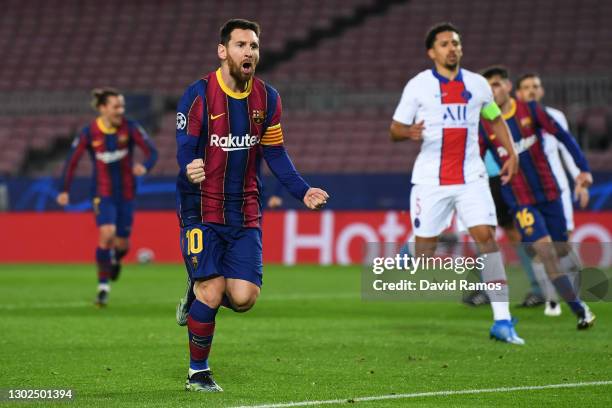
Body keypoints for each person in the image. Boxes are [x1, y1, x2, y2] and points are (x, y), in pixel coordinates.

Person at [175, 19, 329, 392]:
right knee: (212, 291)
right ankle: (198, 372)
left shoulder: (268, 98)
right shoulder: (198, 95)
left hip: (245, 212)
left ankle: (194, 295)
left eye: (254, 46)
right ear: (223, 51)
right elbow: (184, 149)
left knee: (243, 299)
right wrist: (189, 166)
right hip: (201, 209)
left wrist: (302, 190)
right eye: (241, 45)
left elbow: (276, 153)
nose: (249, 52)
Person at [390, 22, 524, 345]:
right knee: (425, 251)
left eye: (456, 43)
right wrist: (408, 133)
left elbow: (494, 118)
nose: (452, 48)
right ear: (432, 52)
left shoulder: (478, 85)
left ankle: (502, 322)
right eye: (445, 44)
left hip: (471, 177)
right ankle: (411, 248)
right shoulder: (418, 86)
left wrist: (510, 152)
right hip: (431, 179)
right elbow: (395, 128)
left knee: (486, 238)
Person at [478, 66, 595, 330]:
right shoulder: (485, 126)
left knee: (561, 248)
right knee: (545, 252)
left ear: (508, 86)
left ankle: (582, 288)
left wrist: (583, 169)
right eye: (488, 88)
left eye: (496, 85)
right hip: (520, 200)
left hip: (549, 192)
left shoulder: (530, 111)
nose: (493, 91)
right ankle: (580, 310)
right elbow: (474, 159)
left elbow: (563, 137)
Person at [57, 88, 158, 306]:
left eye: (122, 106)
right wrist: (64, 190)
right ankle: (103, 287)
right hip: (102, 193)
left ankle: (115, 258)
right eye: (116, 106)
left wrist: (145, 166)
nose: (120, 110)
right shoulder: (89, 132)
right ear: (103, 108)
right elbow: (71, 161)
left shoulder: (130, 128)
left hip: (127, 193)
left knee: (122, 244)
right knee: (107, 233)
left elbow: (152, 151)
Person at [515, 73, 589, 316]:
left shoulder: (555, 116)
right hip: (529, 194)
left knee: (562, 246)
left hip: (558, 190)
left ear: (542, 90)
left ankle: (575, 293)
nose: (532, 91)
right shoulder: (514, 122)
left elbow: (566, 148)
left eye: (536, 86)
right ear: (518, 93)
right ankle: (552, 301)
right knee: (541, 248)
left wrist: (580, 176)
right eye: (526, 87)